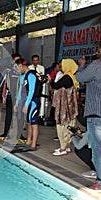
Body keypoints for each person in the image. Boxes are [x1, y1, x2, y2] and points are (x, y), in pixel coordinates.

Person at [75, 47, 101, 191]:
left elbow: (79, 77)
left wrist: (82, 65)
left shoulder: (95, 67)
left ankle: (100, 182)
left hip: (96, 114)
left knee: (97, 151)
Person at [48, 59, 79, 156]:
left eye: (62, 66)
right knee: (69, 124)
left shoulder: (66, 77)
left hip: (64, 106)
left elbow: (56, 86)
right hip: (70, 106)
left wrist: (50, 79)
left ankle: (63, 148)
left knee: (62, 126)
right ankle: (67, 146)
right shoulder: (72, 77)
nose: (61, 68)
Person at [14, 58, 40, 150]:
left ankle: (34, 145)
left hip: (33, 102)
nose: (17, 70)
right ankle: (29, 142)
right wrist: (17, 103)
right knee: (28, 122)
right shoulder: (23, 76)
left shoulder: (31, 76)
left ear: (21, 66)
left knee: (34, 122)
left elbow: (32, 91)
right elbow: (20, 91)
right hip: (27, 102)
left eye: (17, 67)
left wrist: (27, 104)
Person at [28, 55, 46, 121]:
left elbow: (42, 77)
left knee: (41, 100)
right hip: (32, 86)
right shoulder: (29, 67)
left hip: (39, 86)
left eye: (37, 60)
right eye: (34, 60)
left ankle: (40, 115)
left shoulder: (41, 68)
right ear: (32, 61)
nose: (35, 62)